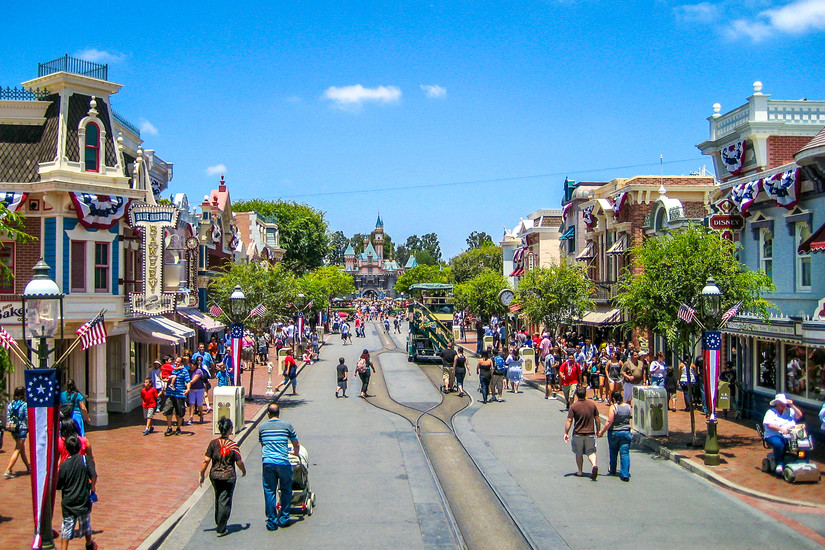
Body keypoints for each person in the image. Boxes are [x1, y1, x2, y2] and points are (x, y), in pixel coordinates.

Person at [200, 417, 246, 536]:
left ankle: (218, 521)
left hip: (215, 475)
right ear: (230, 430)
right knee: (225, 500)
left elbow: (206, 460)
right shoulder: (233, 445)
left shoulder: (213, 443)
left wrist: (202, 474)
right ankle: (221, 527)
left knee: (218, 496)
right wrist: (243, 471)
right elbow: (239, 462)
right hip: (228, 476)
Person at [259, 403, 300, 530]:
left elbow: (263, 444)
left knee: (269, 491)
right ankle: (284, 518)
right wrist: (295, 453)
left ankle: (271, 521)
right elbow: (296, 443)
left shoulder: (262, 427)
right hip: (283, 462)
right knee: (286, 490)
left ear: (268, 414)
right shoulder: (287, 426)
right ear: (279, 413)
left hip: (268, 463)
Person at [56, 435, 97, 550]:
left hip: (68, 502)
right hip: (82, 499)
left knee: (66, 528)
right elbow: (94, 475)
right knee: (85, 523)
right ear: (79, 447)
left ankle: (64, 548)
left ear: (66, 448)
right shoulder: (85, 460)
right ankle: (89, 544)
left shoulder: (64, 465)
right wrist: (92, 487)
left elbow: (58, 485)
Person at [563, 386, 601, 479]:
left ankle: (580, 471)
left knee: (579, 453)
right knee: (591, 451)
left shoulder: (574, 406)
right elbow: (597, 418)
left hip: (578, 433)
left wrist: (566, 432)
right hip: (590, 433)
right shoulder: (592, 405)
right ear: (585, 394)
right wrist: (598, 430)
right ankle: (594, 465)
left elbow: (569, 420)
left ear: (576, 394)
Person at [762, 393, 804, 475]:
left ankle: (803, 462)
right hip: (773, 435)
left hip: (790, 435)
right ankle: (779, 464)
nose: (783, 405)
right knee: (778, 444)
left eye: (784, 403)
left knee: (803, 444)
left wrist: (792, 405)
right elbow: (769, 425)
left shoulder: (789, 411)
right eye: (781, 403)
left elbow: (799, 415)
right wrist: (781, 429)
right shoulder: (770, 412)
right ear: (777, 404)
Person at [598, 390, 632, 481]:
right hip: (626, 432)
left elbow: (610, 420)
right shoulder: (628, 407)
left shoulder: (613, 407)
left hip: (614, 432)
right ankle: (625, 473)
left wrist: (602, 431)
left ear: (613, 398)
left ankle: (612, 469)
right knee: (624, 453)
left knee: (613, 452)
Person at [4, 386, 29, 478]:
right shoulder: (24, 405)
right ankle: (8, 470)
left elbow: (8, 417)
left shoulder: (11, 404)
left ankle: (28, 466)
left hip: (13, 428)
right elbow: (27, 417)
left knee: (21, 448)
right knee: (18, 449)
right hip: (22, 428)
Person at [163, 356, 191, 436]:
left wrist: (188, 389)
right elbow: (165, 375)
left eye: (178, 362)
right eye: (175, 361)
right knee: (168, 410)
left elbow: (188, 381)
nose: (176, 363)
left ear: (181, 363)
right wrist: (165, 379)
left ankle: (178, 428)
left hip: (180, 394)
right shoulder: (171, 369)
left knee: (179, 411)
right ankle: (169, 427)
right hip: (170, 393)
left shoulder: (184, 371)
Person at [187, 356, 208, 425]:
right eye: (190, 365)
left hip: (199, 389)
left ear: (195, 365)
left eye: (192, 365)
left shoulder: (198, 371)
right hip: (192, 389)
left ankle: (201, 415)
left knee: (199, 404)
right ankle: (191, 418)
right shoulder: (189, 372)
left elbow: (193, 380)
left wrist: (187, 384)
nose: (191, 366)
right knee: (191, 403)